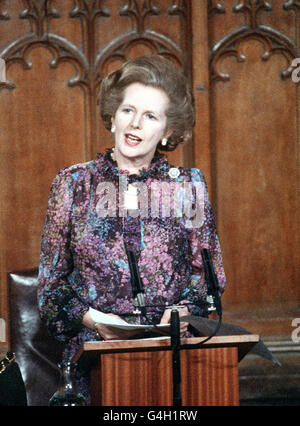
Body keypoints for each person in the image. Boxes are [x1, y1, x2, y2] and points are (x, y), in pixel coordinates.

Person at [37, 55, 226, 402]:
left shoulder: (188, 187)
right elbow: (50, 292)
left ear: (168, 131)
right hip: (94, 360)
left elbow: (208, 283)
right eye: (128, 110)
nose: (135, 123)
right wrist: (97, 321)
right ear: (112, 117)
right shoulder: (73, 184)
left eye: (150, 116)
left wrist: (184, 313)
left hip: (173, 355)